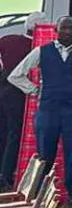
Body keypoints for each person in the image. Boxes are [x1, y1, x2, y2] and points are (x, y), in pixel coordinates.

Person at [7, 16, 72, 203]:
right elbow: (16, 75)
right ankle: (42, 197)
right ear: (55, 30)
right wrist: (34, 90)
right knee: (45, 155)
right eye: (64, 28)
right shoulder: (42, 51)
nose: (68, 32)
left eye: (71, 29)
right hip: (48, 110)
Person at [0, 13, 44, 189]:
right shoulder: (35, 46)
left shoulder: (8, 39)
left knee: (3, 130)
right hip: (17, 94)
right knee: (15, 133)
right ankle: (6, 175)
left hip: (2, 90)